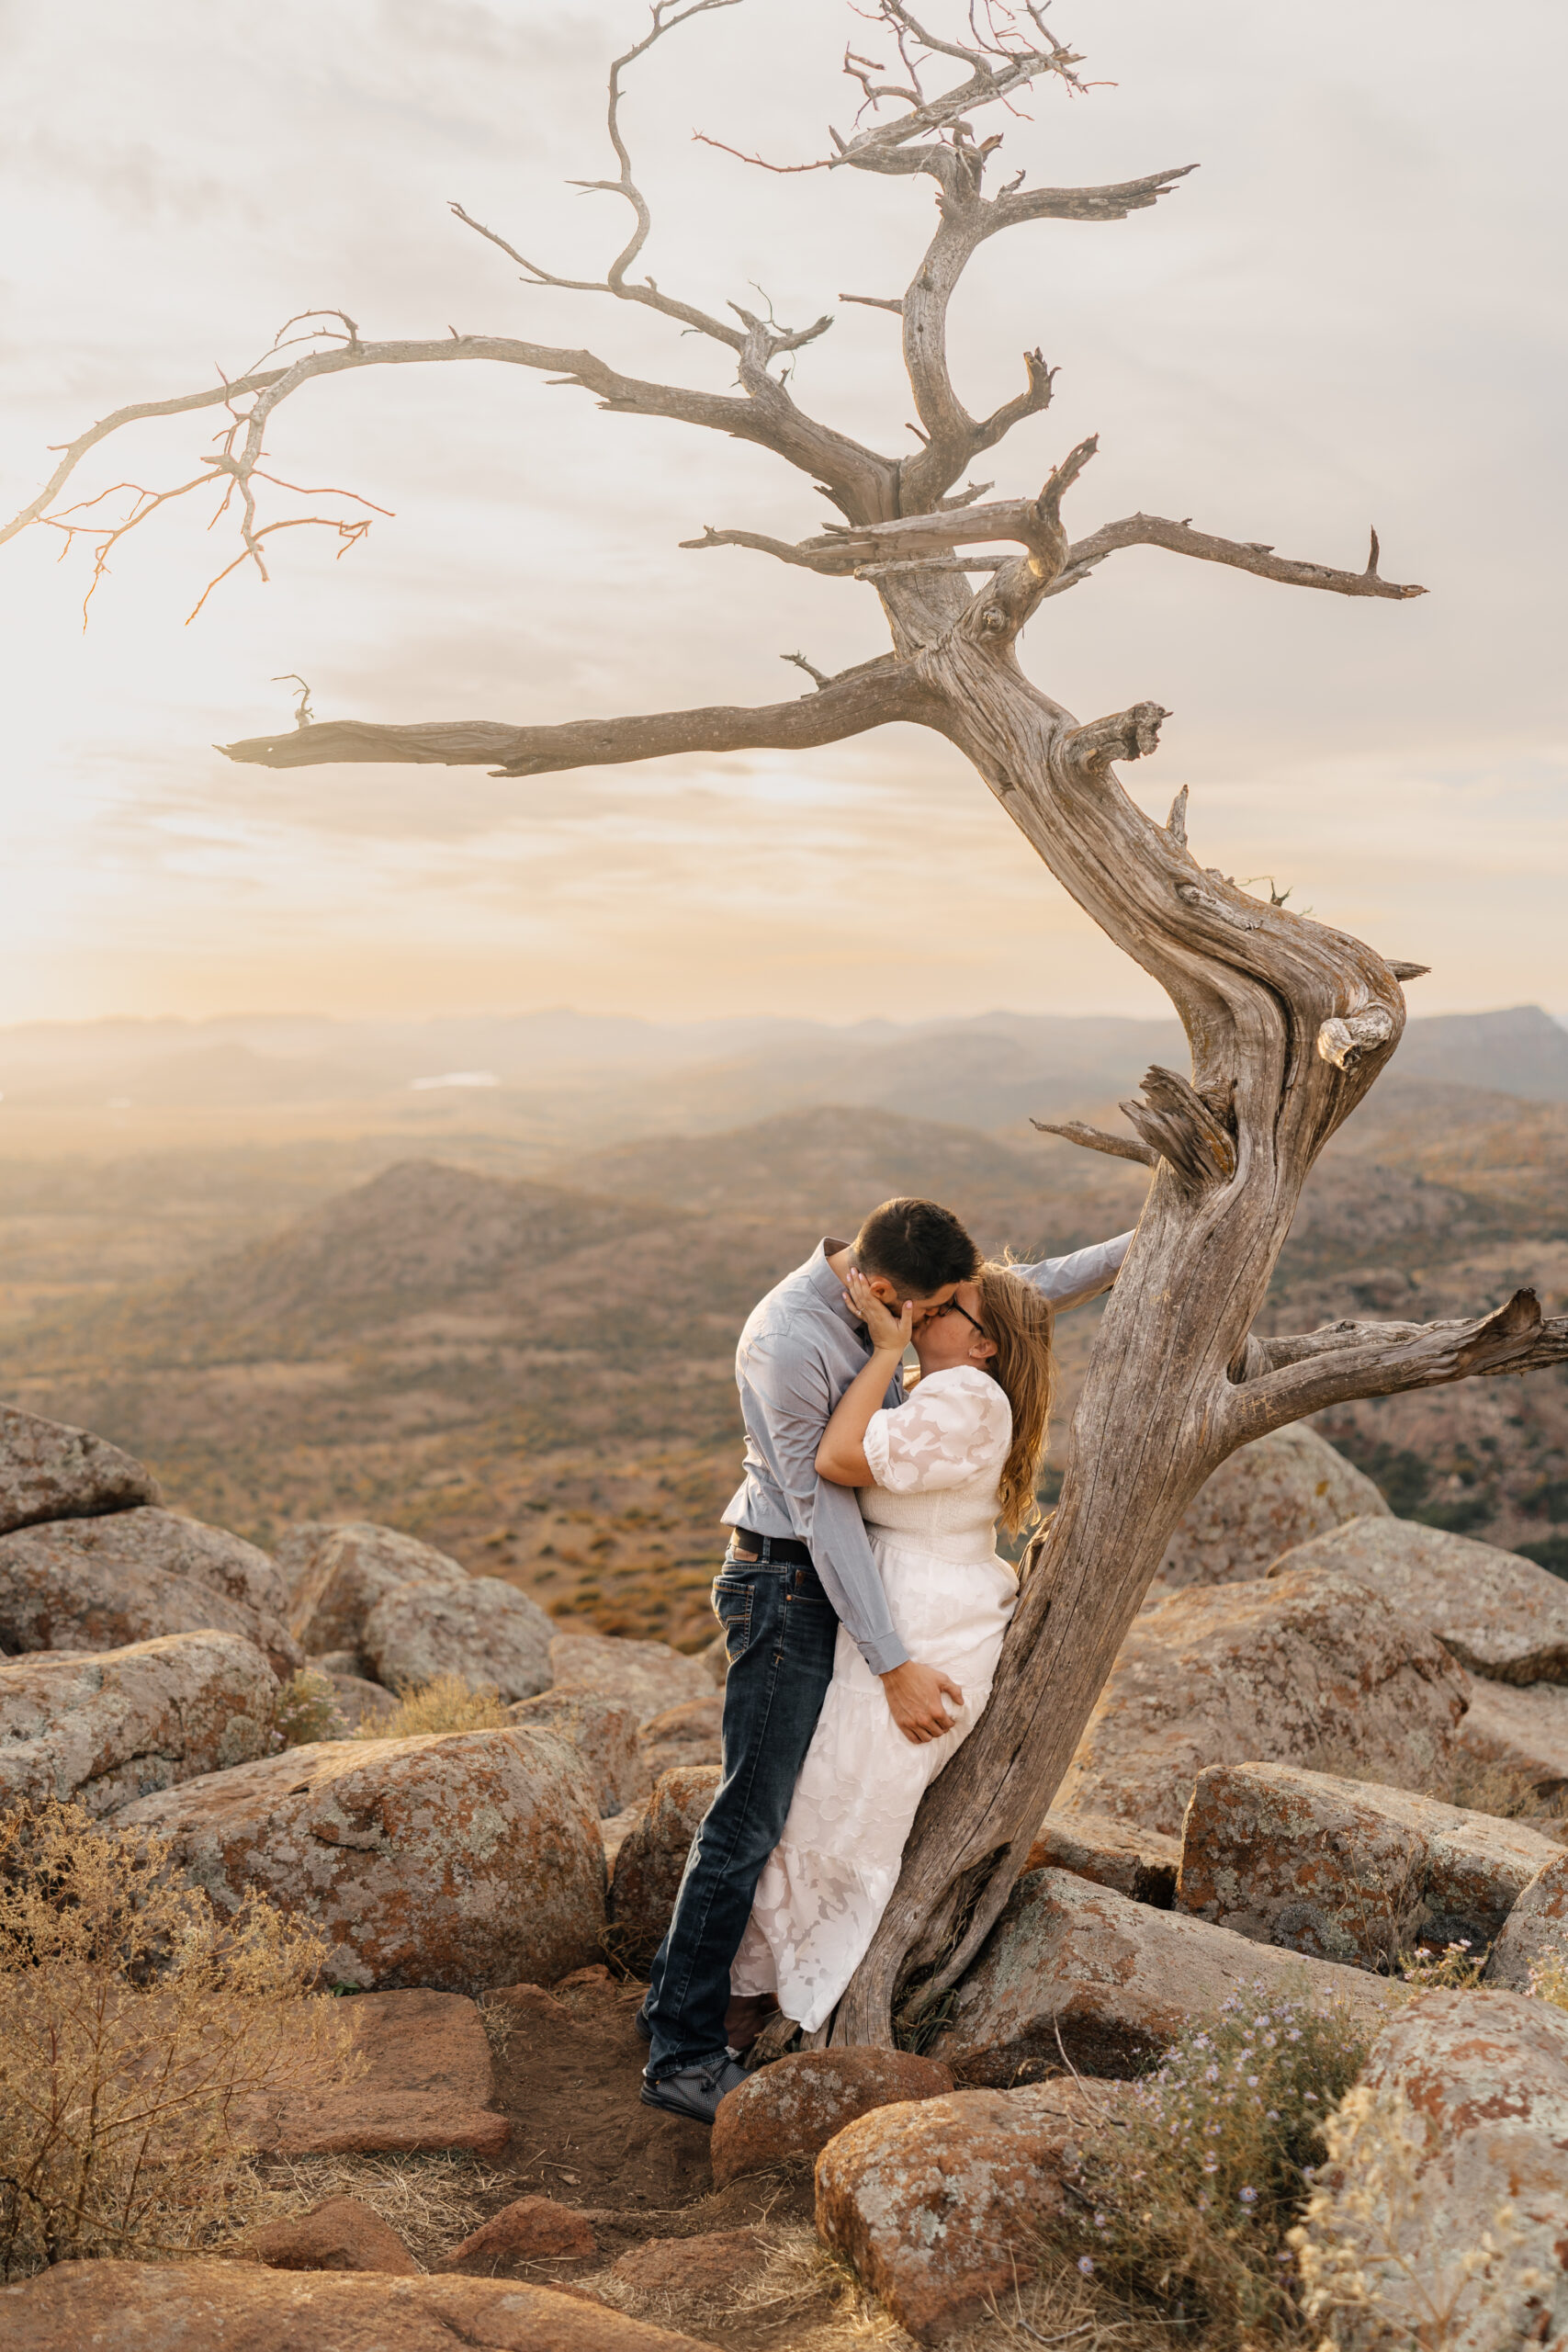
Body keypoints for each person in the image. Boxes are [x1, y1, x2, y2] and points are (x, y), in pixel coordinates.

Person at [639, 1196, 1134, 2123]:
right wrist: (893, 1658)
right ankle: (681, 2053)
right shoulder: (790, 1343)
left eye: (955, 1308)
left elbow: (1024, 1292)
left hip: (847, 1583)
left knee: (776, 1810)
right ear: (883, 1295)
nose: (945, 1315)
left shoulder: (911, 1285)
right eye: (939, 1306)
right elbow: (824, 1507)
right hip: (788, 1579)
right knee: (752, 1820)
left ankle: (682, 2001)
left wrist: (1161, 1234)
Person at [729, 1261, 1053, 2036]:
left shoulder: (967, 1396)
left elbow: (837, 1461)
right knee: (826, 1802)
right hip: (904, 1603)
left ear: (983, 1346)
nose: (925, 1310)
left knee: (844, 1812)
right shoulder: (941, 1385)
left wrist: (879, 1355)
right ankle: (761, 1993)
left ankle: (785, 2005)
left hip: (926, 1621)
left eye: (948, 1308)